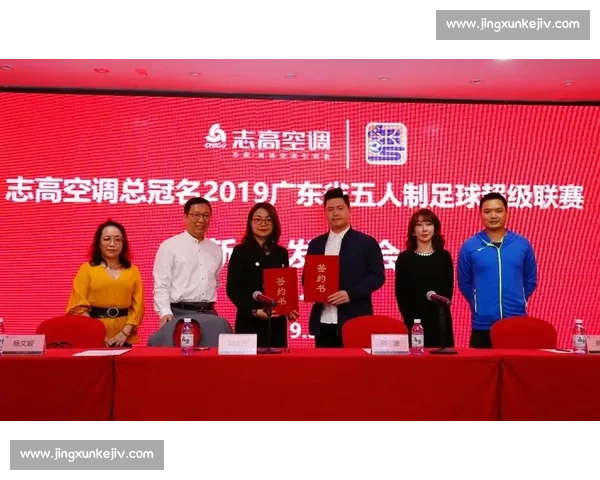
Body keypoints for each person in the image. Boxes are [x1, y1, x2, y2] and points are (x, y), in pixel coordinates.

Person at [305, 188, 386, 347]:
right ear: (325, 213)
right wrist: (313, 291)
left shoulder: (366, 243)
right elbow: (307, 278)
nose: (335, 213)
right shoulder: (316, 244)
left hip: (355, 319)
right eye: (330, 209)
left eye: (340, 208)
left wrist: (350, 294)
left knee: (355, 363)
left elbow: (377, 276)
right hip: (324, 322)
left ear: (349, 211)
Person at [458, 192, 538, 348]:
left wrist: (518, 298)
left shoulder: (522, 244)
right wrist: (480, 303)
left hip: (516, 322)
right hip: (482, 325)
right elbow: (464, 283)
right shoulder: (470, 246)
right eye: (487, 211)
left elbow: (530, 280)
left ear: (507, 212)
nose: (493, 216)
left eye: (498, 211)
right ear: (480, 214)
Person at [226, 203, 299, 348]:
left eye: (268, 220)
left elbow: (284, 285)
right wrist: (253, 311)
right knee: (249, 362)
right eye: (258, 219)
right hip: (249, 321)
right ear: (250, 222)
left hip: (276, 322)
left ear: (274, 223)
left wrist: (289, 309)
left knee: (277, 360)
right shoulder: (240, 251)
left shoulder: (281, 253)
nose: (263, 224)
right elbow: (233, 289)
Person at [66, 220, 144, 347]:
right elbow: (78, 306)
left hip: (124, 337)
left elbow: (138, 306)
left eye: (117, 240)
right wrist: (99, 334)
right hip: (91, 334)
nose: (112, 244)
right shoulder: (87, 269)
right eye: (107, 239)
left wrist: (124, 333)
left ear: (123, 243)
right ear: (99, 243)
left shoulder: (133, 270)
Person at [153, 197, 223, 327]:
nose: (201, 220)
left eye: (205, 215)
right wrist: (164, 312)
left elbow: (216, 282)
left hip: (209, 313)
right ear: (185, 217)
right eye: (196, 215)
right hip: (179, 312)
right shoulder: (170, 246)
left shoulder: (216, 249)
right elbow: (161, 284)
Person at [394, 208, 455, 348]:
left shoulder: (444, 257)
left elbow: (448, 291)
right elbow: (401, 293)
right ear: (413, 231)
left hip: (440, 320)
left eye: (428, 224)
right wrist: (411, 318)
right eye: (419, 225)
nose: (424, 229)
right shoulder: (404, 258)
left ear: (435, 229)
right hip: (414, 321)